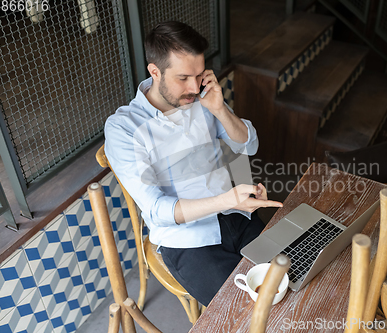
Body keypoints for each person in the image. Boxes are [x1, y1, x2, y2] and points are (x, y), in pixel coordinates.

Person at [104, 21, 282, 306]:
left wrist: (220, 109)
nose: (193, 86)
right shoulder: (124, 128)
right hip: (188, 241)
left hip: (237, 217)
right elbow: (156, 210)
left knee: (292, 278)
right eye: (183, 77)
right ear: (155, 71)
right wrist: (227, 200)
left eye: (199, 75)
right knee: (243, 314)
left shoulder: (203, 97)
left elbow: (248, 144)